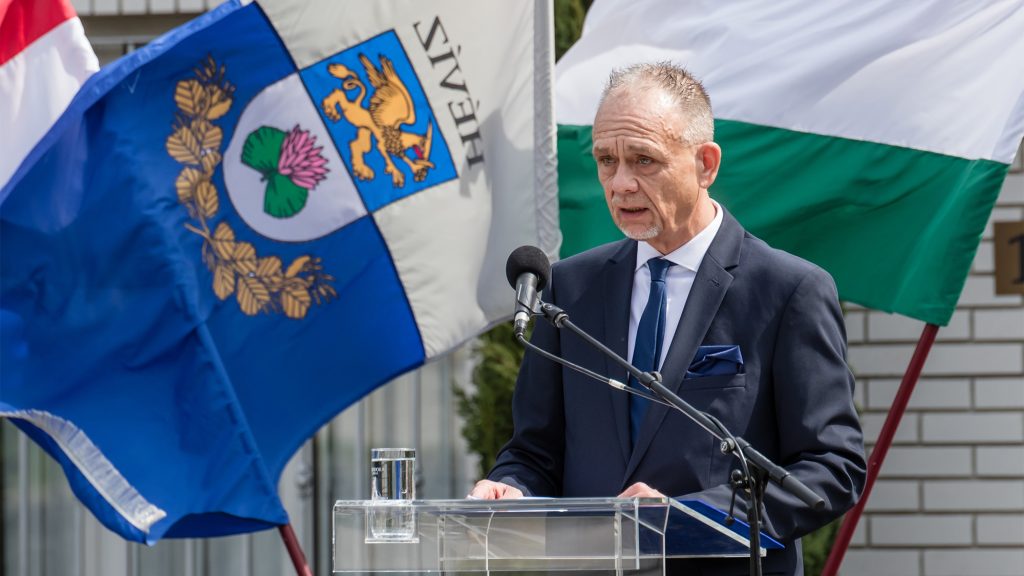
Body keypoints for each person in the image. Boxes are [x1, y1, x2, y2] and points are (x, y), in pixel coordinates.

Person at [470, 62, 866, 576]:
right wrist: (511, 488)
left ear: (705, 164)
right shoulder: (569, 289)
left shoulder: (788, 290)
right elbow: (535, 451)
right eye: (606, 160)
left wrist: (689, 519)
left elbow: (832, 470)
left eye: (643, 160)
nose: (620, 183)